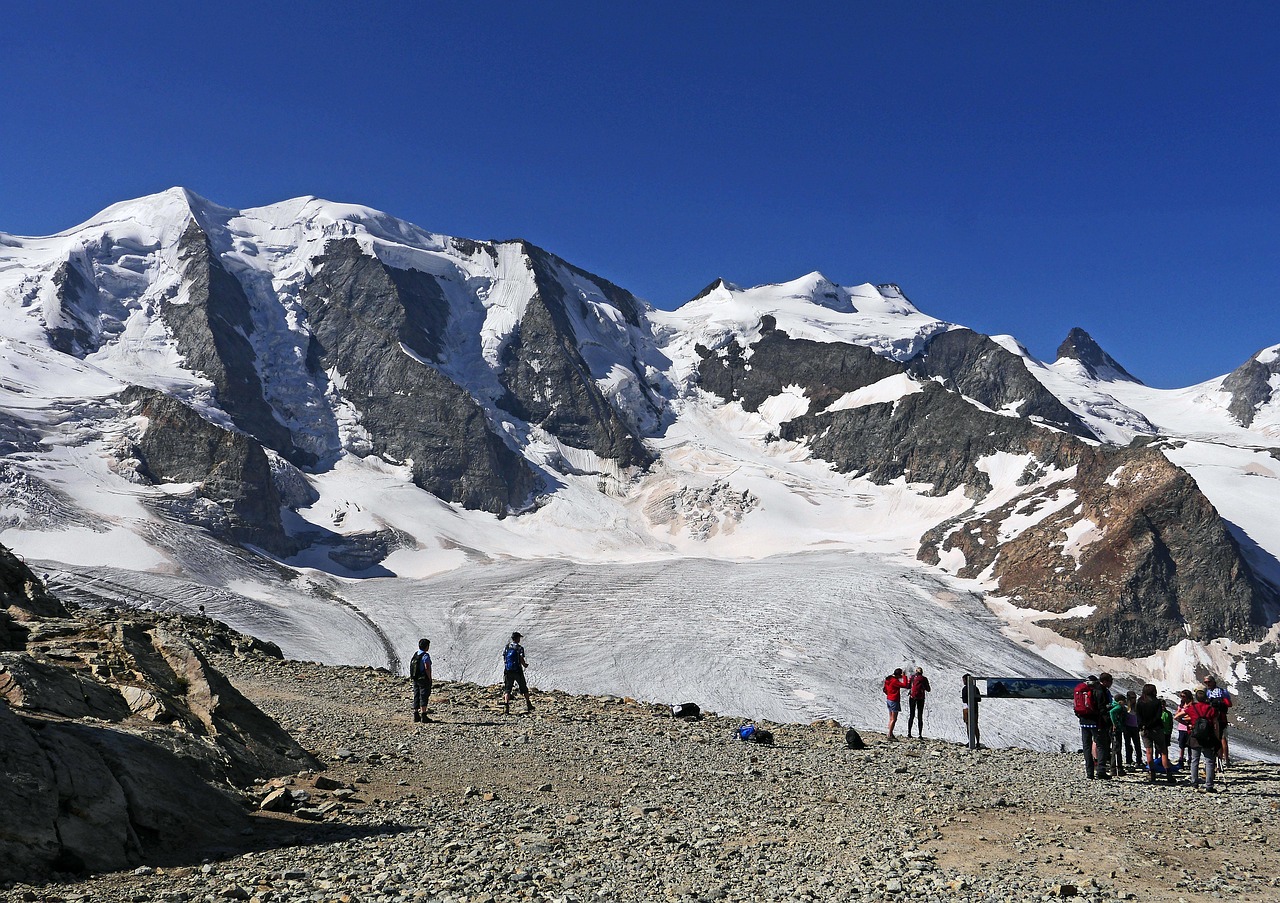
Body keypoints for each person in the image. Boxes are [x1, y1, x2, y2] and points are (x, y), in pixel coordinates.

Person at [1178, 688, 1221, 792]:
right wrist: (1217, 738)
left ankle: (1194, 782)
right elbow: (1216, 725)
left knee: (1194, 760)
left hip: (1195, 737)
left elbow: (1177, 717)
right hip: (1208, 737)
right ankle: (1209, 785)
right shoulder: (1211, 709)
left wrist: (1188, 724)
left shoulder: (1192, 708)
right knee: (1209, 761)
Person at [1134, 684, 1175, 785]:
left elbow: (1138, 715)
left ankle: (1152, 774)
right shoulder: (1156, 702)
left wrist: (1143, 725)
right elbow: (1158, 716)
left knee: (1149, 751)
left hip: (1144, 729)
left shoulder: (1140, 701)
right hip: (1156, 728)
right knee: (1163, 751)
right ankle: (1168, 774)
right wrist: (1151, 724)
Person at [1073, 674, 1110, 780]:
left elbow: (1075, 707)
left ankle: (1089, 773)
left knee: (1087, 746)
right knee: (1101, 745)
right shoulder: (1098, 691)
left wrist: (1081, 717)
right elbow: (1102, 708)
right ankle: (1101, 771)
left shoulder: (1080, 691)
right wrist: (1106, 721)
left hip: (1084, 721)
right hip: (1096, 722)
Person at [1202, 675, 1232, 766]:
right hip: (1212, 718)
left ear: (1213, 682)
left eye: (1209, 682)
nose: (1207, 684)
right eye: (1206, 682)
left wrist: (1219, 702)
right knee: (1216, 739)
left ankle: (1225, 759)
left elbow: (1229, 704)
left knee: (1222, 739)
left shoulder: (1222, 692)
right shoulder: (1206, 692)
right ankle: (1220, 759)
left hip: (1220, 718)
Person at [502, 631, 533, 715]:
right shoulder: (519, 648)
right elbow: (521, 658)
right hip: (517, 671)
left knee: (507, 689)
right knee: (523, 687)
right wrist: (525, 665)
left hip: (508, 670)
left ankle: (506, 706)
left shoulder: (507, 647)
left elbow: (504, 657)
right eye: (519, 638)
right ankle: (528, 704)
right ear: (517, 638)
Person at [883, 668, 910, 740]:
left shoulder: (889, 679)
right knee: (894, 719)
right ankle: (890, 734)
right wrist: (905, 677)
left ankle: (889, 732)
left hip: (889, 699)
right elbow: (905, 685)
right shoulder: (894, 681)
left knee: (891, 718)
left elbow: (885, 689)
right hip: (894, 700)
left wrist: (888, 694)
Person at [409, 638, 432, 722]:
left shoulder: (416, 654)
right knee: (423, 695)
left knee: (416, 695)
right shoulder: (425, 655)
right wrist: (429, 677)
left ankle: (416, 714)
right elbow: (427, 667)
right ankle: (424, 715)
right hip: (423, 679)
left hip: (415, 678)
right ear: (426, 646)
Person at [1107, 692, 1129, 776]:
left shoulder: (1113, 705)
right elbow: (1112, 713)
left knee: (1115, 747)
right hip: (1116, 730)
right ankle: (1116, 769)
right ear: (1120, 701)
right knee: (1117, 748)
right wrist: (1115, 724)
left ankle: (1116, 768)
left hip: (1113, 730)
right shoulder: (1118, 707)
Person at [906, 667, 931, 739]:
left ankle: (909, 733)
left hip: (912, 698)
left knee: (911, 715)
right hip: (921, 698)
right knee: (920, 716)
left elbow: (908, 686)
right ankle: (920, 734)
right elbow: (928, 689)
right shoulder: (924, 679)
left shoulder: (912, 677)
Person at [1173, 690, 1194, 767]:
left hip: (1190, 728)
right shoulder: (1181, 705)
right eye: (1181, 696)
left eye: (1183, 696)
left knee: (1190, 746)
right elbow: (1177, 715)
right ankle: (1181, 759)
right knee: (1181, 745)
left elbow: (1191, 716)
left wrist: (1183, 717)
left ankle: (1190, 759)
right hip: (1182, 728)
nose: (1182, 698)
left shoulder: (1191, 706)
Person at [961, 674, 980, 746]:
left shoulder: (965, 689)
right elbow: (979, 699)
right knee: (975, 725)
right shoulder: (975, 688)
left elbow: (964, 700)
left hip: (966, 709)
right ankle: (977, 742)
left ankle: (970, 741)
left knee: (968, 725)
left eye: (964, 680)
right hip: (975, 707)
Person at [1123, 690, 1141, 766]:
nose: (1134, 699)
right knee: (1128, 744)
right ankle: (1129, 760)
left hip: (1135, 727)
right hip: (1127, 727)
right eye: (1132, 698)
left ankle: (1139, 760)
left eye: (1135, 697)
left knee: (1137, 744)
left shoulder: (1137, 707)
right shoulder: (1126, 707)